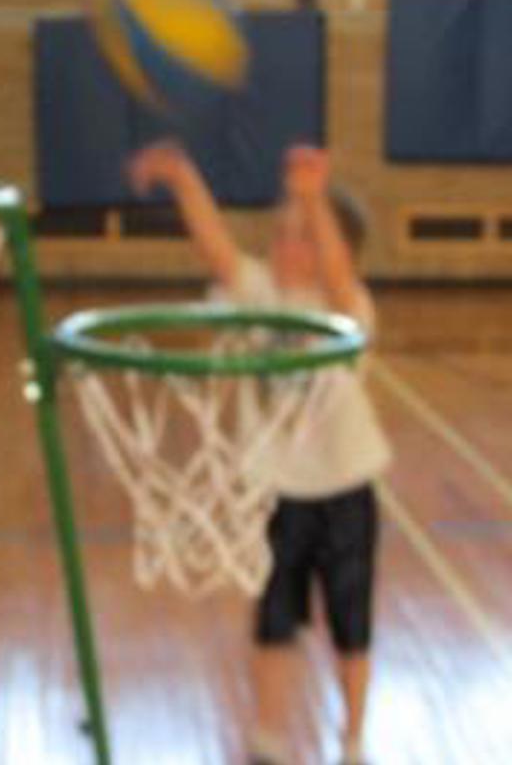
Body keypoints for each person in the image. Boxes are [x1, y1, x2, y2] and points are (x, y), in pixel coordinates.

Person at [129, 142, 392, 765]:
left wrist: (310, 196)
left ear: (340, 252)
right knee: (275, 619)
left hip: (347, 488)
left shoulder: (346, 309)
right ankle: (270, 734)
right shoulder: (257, 293)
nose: (281, 246)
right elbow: (216, 248)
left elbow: (334, 270)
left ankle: (353, 737)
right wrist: (183, 177)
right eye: (277, 235)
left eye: (298, 237)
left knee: (351, 626)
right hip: (277, 493)